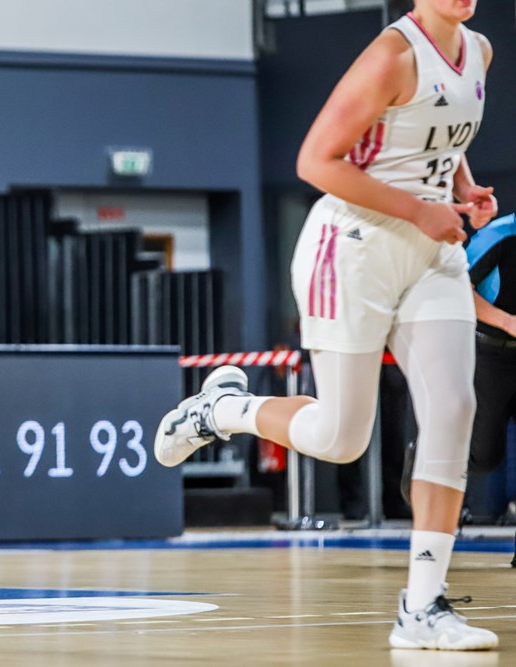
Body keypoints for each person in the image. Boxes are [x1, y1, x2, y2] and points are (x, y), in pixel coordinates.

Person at [154, 0, 498, 651]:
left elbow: (439, 140)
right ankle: (224, 409)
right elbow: (315, 160)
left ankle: (423, 605)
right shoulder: (391, 56)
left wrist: (465, 189)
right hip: (354, 247)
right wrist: (419, 210)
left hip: (432, 254)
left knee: (454, 407)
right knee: (342, 436)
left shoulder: (478, 51)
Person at [463, 212, 516, 560]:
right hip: (490, 353)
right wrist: (507, 322)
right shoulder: (498, 233)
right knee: (484, 455)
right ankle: (424, 451)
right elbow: (455, 287)